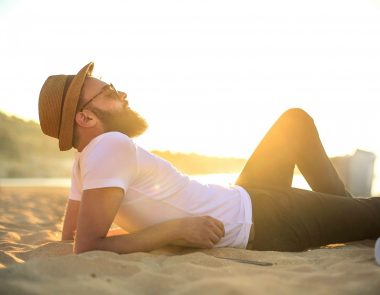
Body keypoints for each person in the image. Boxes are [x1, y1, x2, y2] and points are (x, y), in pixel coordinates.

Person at [38, 62, 380, 254]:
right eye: (109, 92)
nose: (122, 93)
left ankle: (349, 215)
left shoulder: (84, 162)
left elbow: (71, 236)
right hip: (268, 219)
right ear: (85, 118)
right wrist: (173, 229)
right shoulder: (110, 145)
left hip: (246, 196)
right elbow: (86, 246)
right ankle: (355, 217)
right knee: (373, 212)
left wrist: (160, 227)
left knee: (295, 122)